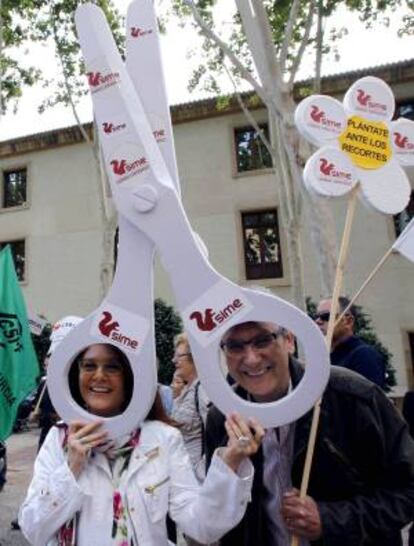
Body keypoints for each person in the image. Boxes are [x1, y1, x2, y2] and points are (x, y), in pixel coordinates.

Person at [19, 342, 264, 546]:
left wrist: (231, 462)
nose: (99, 375)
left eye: (112, 367)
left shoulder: (163, 439)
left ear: (130, 377)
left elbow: (202, 526)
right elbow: (33, 529)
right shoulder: (60, 439)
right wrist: (71, 469)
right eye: (89, 366)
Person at [206, 320, 414, 546]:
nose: (252, 358)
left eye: (263, 340)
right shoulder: (222, 418)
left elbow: (407, 490)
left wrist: (330, 520)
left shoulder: (351, 396)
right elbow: (220, 512)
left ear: (289, 340)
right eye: (235, 346)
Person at [315, 296, 386, 387]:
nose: (318, 321)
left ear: (348, 322)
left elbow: (368, 398)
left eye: (326, 316)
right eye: (316, 316)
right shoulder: (323, 357)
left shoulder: (364, 355)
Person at [171, 333, 210, 475]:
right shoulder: (186, 389)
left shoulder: (203, 390)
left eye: (178, 356)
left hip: (197, 475)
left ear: (193, 357)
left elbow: (214, 436)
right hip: (183, 471)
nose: (173, 360)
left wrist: (203, 472)